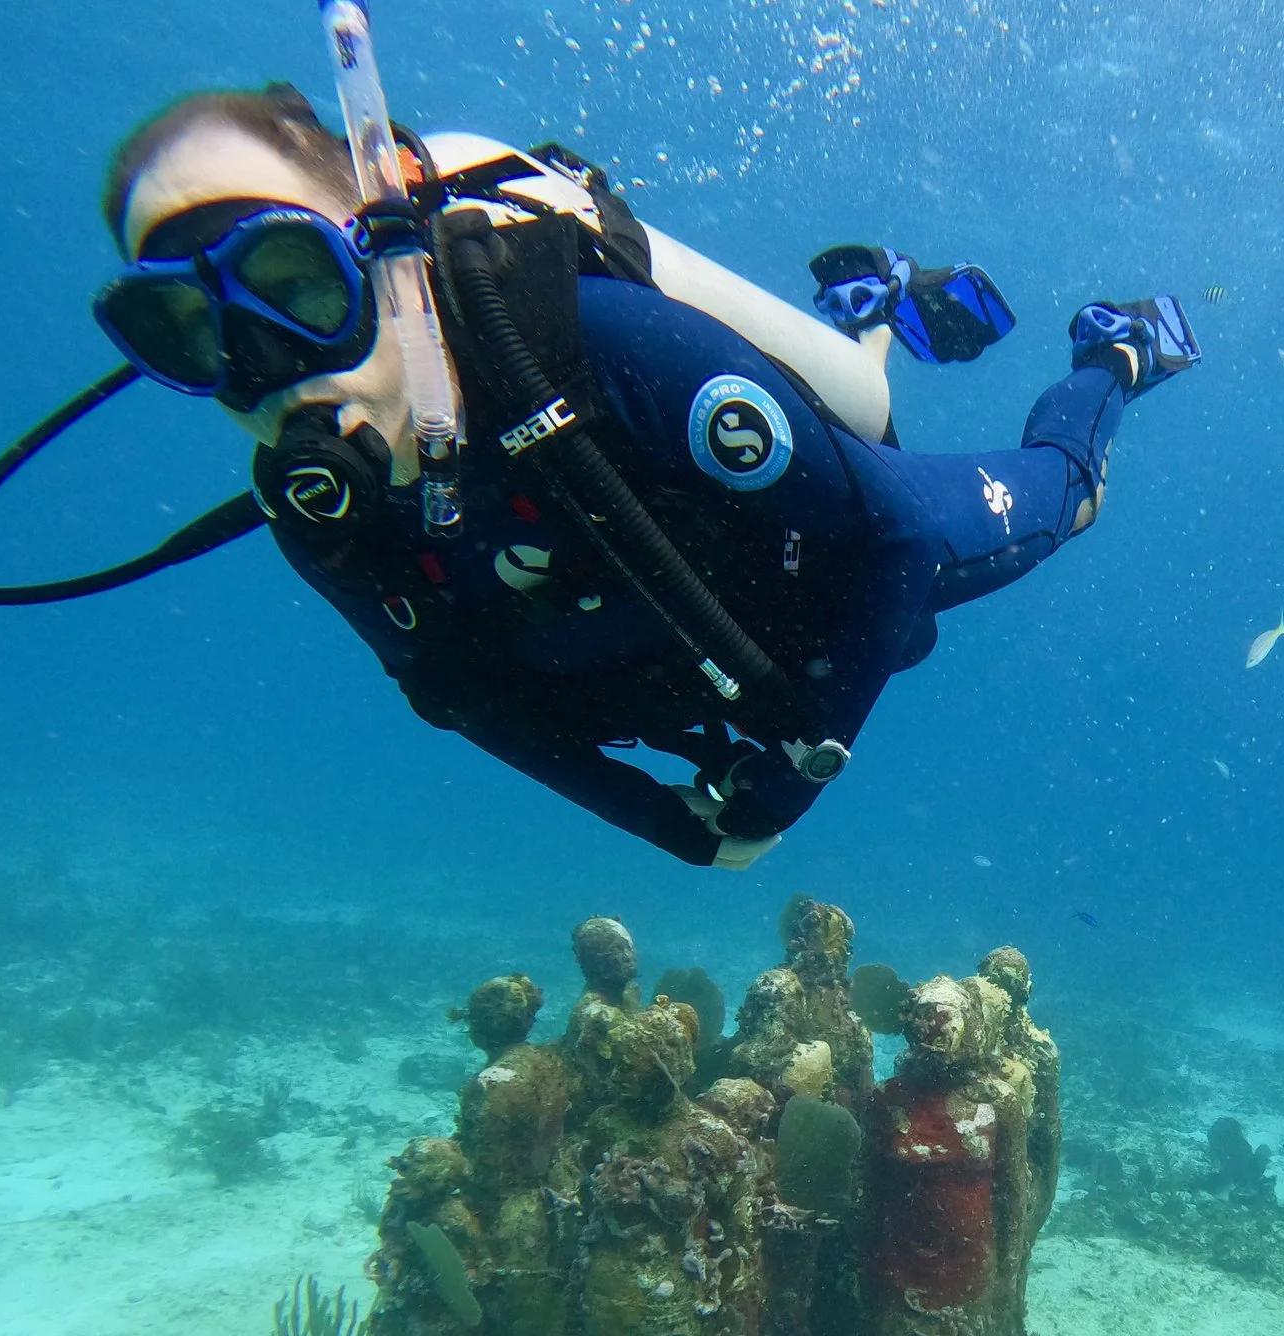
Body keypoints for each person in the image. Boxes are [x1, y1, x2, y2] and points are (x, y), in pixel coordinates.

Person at [70, 84, 1198, 869]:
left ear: (383, 254)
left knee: (1061, 494)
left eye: (291, 280)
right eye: (187, 331)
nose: (265, 369)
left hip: (837, 553)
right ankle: (873, 309)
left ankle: (1115, 352)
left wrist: (791, 783)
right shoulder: (320, 518)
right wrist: (674, 830)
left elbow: (891, 542)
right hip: (699, 631)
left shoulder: (596, 342)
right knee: (856, 409)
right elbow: (457, 697)